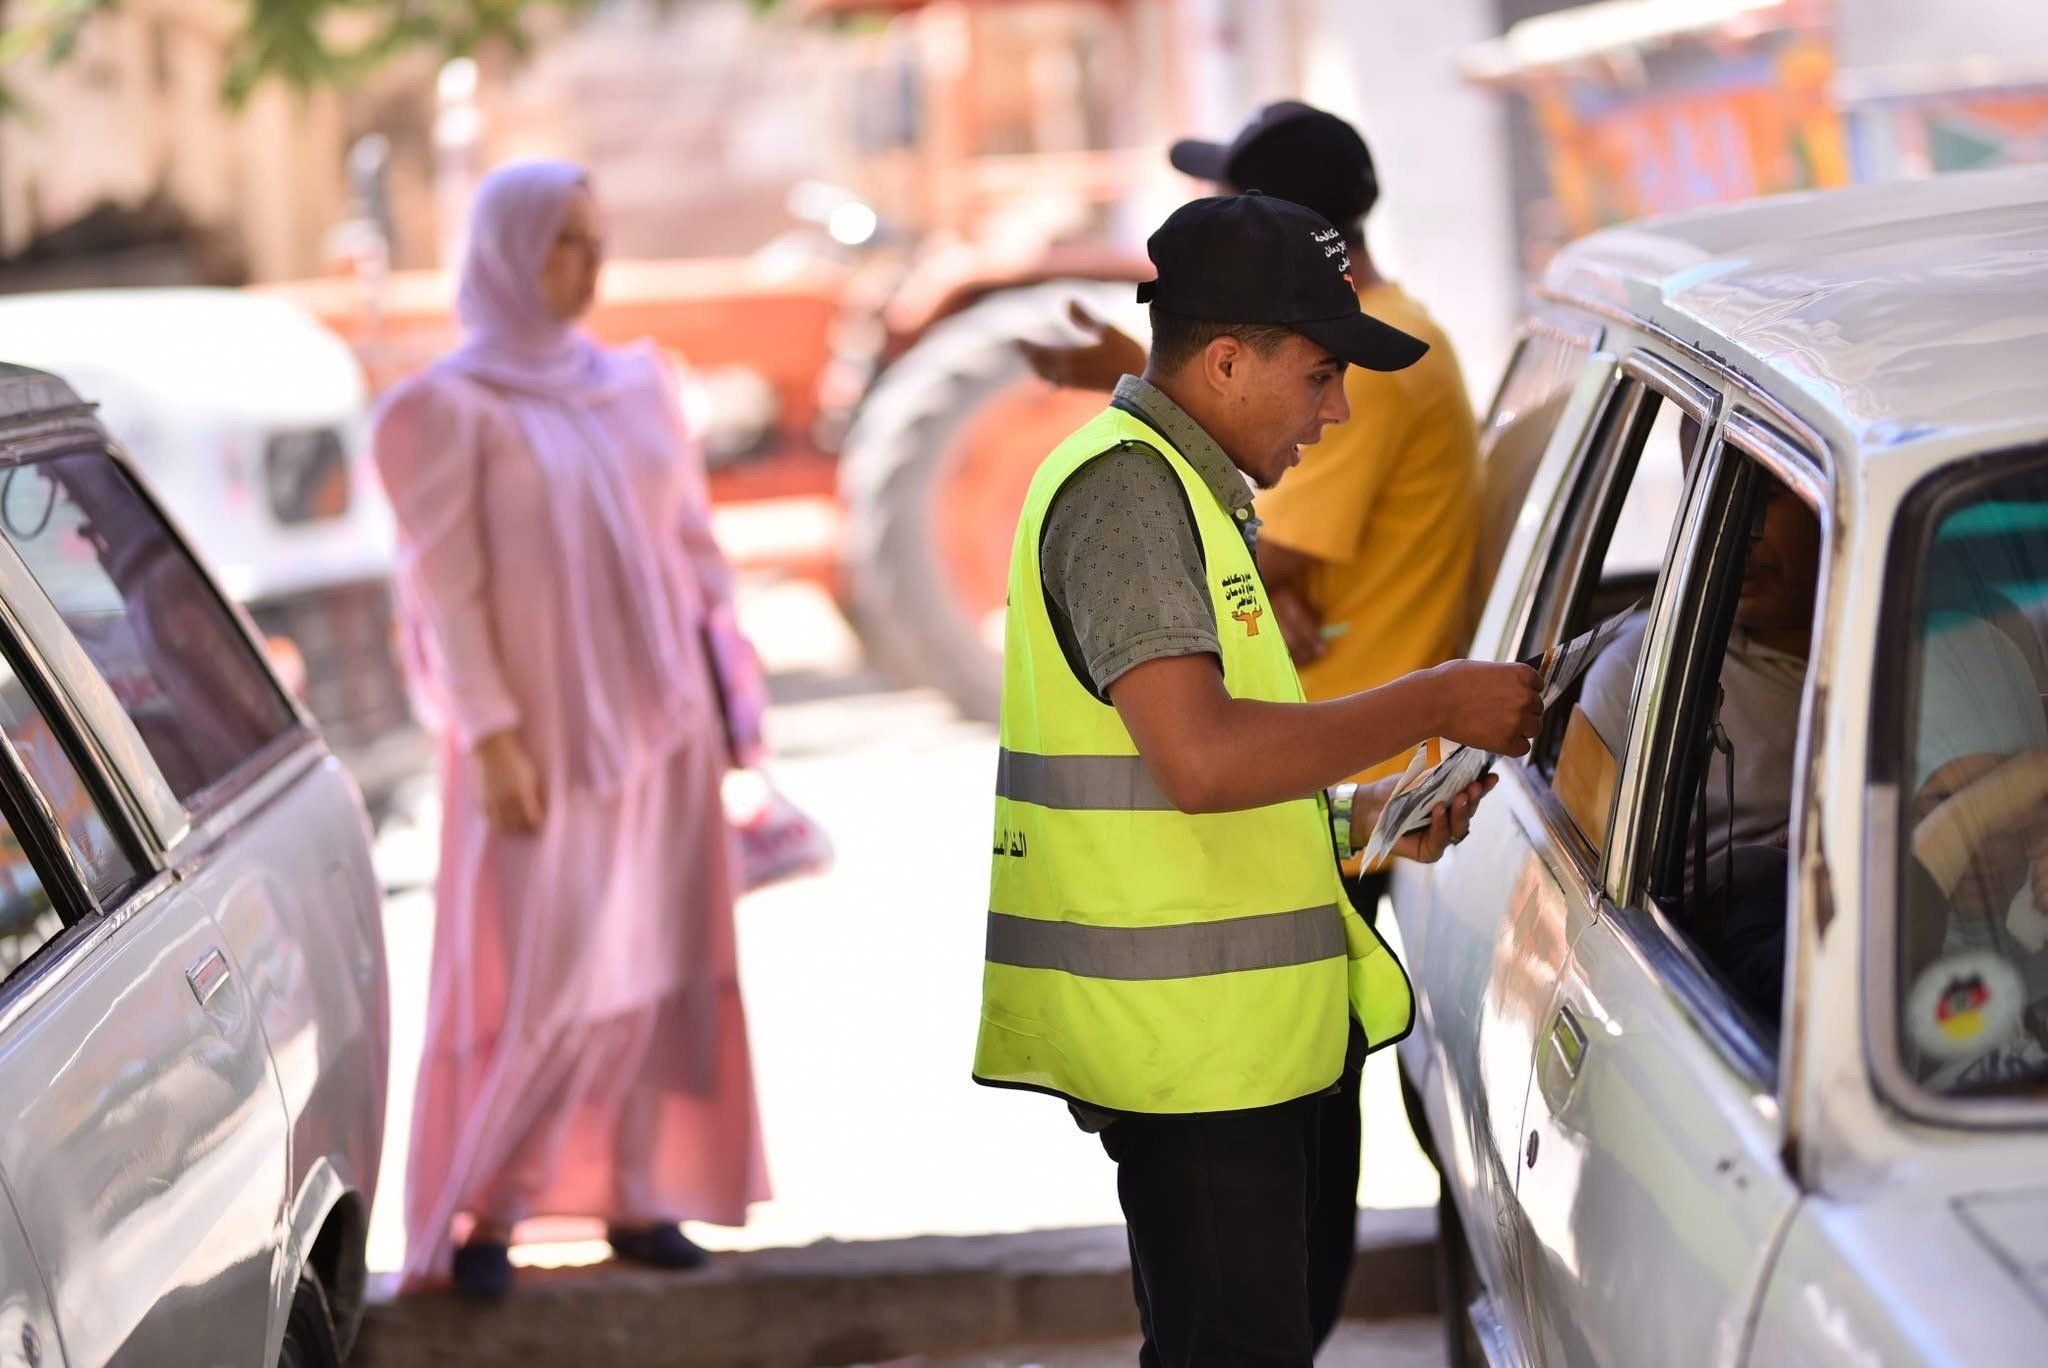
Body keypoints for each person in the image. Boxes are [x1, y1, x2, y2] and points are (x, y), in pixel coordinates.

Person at [976, 191, 1541, 1365]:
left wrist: (1359, 815)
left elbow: (1190, 778)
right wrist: (1434, 700)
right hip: (1191, 1059)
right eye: (1319, 376)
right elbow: (1200, 760)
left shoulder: (1185, 493)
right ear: (1226, 360)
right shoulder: (1130, 497)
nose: (1335, 413)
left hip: (1225, 1049)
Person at [373, 160, 768, 1299]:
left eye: (596, 240)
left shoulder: (639, 386)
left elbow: (694, 554)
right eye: (562, 243)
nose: (588, 265)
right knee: (544, 974)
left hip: (665, 729)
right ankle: (490, 1203)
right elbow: (444, 593)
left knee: (654, 964)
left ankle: (638, 1196)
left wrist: (734, 706)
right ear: (502, 253)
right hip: (537, 743)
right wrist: (487, 733)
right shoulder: (443, 408)